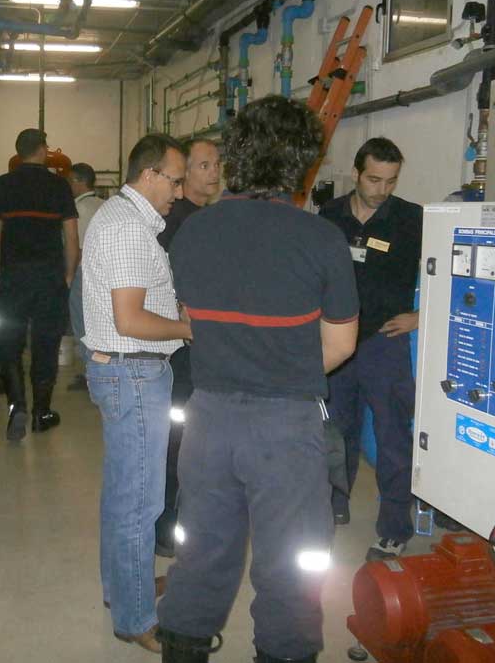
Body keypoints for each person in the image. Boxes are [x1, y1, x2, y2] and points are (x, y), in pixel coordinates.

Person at [157, 96, 359, 663]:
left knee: (201, 550)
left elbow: (191, 323)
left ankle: (183, 648)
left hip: (209, 420)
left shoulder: (192, 233)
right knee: (292, 563)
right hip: (285, 426)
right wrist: (283, 366)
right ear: (300, 162)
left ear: (234, 158)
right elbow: (340, 344)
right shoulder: (320, 239)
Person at [81, 133, 193, 654]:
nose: (179, 189)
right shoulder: (128, 229)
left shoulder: (122, 220)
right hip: (134, 373)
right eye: (174, 179)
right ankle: (134, 617)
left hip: (124, 373)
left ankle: (123, 589)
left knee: (124, 494)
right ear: (148, 175)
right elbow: (130, 319)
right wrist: (187, 328)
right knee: (141, 502)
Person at [319, 136, 422, 562]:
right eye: (374, 180)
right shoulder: (329, 217)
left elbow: (451, 271)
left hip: (385, 344)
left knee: (392, 434)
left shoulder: (411, 219)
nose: (382, 190)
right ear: (357, 173)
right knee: (335, 430)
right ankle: (333, 503)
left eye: (391, 181)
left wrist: (423, 314)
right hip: (337, 341)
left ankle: (395, 527)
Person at [0, 128, 79, 441]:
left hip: (13, 278)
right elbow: (71, 237)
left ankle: (17, 407)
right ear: (42, 150)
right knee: (46, 344)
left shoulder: (3, 185)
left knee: (9, 343)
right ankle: (42, 413)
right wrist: (68, 275)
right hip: (49, 278)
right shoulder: (59, 186)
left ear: (18, 152)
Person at [154, 138, 221, 557]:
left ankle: (187, 516)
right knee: (176, 433)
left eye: (216, 165)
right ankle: (165, 524)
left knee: (195, 434)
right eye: (203, 165)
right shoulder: (174, 220)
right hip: (178, 345)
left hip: (203, 342)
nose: (213, 172)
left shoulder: (210, 218)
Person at [66, 162, 104, 391]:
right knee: (99, 325)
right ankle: (98, 370)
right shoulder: (104, 204)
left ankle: (91, 373)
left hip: (83, 271)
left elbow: (75, 247)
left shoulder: (77, 210)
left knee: (82, 324)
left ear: (79, 181)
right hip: (103, 274)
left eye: (70, 180)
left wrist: (69, 274)